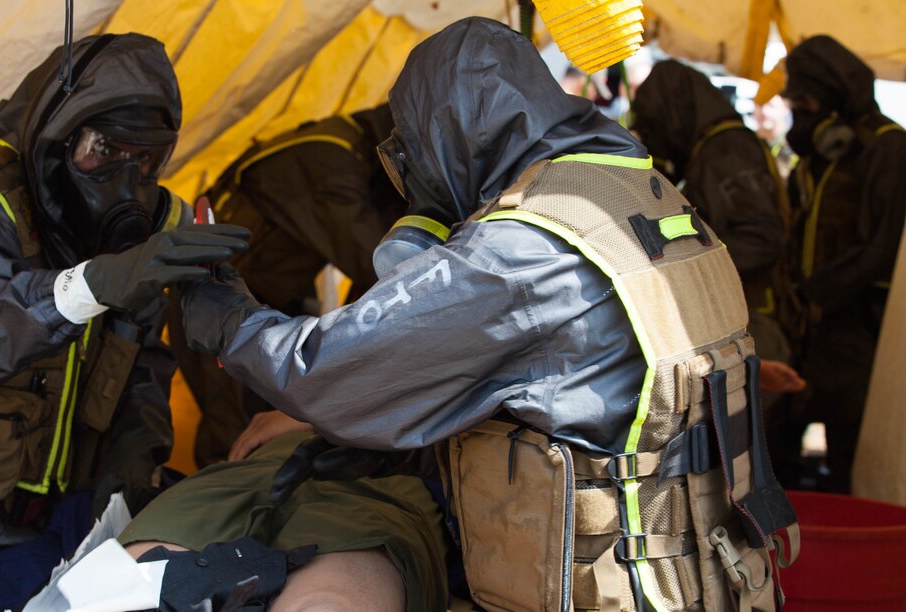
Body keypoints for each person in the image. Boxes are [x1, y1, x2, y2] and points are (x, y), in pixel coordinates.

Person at [179, 17, 797, 611]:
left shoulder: (525, 250)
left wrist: (228, 317)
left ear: (449, 134)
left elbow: (329, 374)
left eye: (414, 148)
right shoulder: (640, 196)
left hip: (617, 592)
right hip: (711, 575)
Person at [0, 33, 249, 608]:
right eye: (103, 152)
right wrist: (89, 285)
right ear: (59, 138)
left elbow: (140, 369)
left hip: (59, 509)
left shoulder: (145, 230)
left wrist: (128, 485)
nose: (126, 182)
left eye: (146, 159)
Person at [0, 410, 448, 612]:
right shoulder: (126, 506)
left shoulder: (404, 436)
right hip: (222, 491)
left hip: (374, 485)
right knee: (148, 582)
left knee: (331, 604)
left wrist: (318, 419)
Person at [170, 105, 405, 466]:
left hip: (264, 308)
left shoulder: (345, 148)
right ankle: (222, 513)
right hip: (217, 311)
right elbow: (382, 269)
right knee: (238, 444)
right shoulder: (326, 161)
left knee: (270, 436)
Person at [773, 34, 906, 492]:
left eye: (803, 101)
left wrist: (819, 290)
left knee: (851, 448)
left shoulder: (888, 148)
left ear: (826, 98)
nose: (798, 113)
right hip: (810, 326)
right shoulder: (818, 160)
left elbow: (881, 246)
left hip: (858, 327)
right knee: (783, 439)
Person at [630, 59, 795, 396]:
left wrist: (690, 265)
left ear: (674, 112)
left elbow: (762, 239)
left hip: (755, 321)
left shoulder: (726, 151)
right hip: (746, 318)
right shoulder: (719, 146)